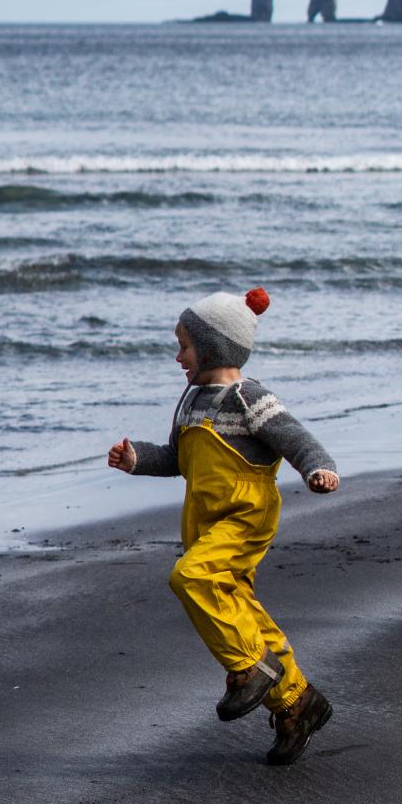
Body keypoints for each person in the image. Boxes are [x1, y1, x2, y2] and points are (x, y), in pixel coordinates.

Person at [108, 286, 338, 765]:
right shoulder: (190, 401)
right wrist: (137, 459)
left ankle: (247, 668)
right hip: (203, 521)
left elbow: (296, 437)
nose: (178, 357)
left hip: (244, 516)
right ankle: (297, 703)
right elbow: (177, 458)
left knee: (189, 577)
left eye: (184, 345)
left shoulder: (249, 398)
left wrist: (317, 468)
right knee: (239, 611)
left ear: (213, 346)